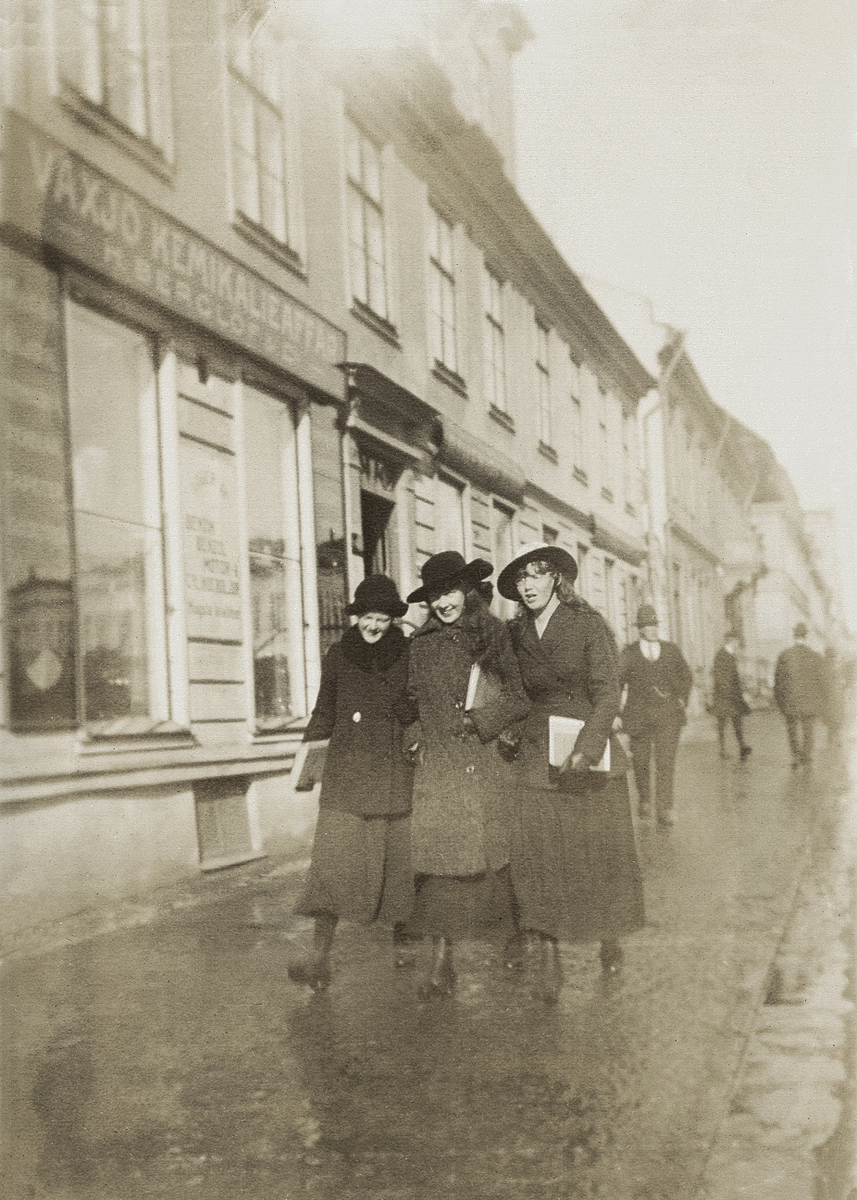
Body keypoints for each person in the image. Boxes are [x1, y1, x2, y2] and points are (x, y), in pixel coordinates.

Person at [496, 542, 645, 1003]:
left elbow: (607, 692)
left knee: (597, 855)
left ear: (556, 579)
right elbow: (517, 694)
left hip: (587, 751)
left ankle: (609, 936)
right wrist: (506, 729)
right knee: (536, 856)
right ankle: (549, 957)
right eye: (521, 578)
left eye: (536, 575)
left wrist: (587, 747)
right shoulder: (515, 633)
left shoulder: (587, 625)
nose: (527, 585)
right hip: (537, 755)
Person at [404, 551, 530, 1000]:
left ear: (467, 591)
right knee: (438, 868)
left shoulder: (493, 636)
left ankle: (514, 935)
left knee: (496, 861)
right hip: (440, 768)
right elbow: (411, 701)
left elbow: (519, 697)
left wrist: (483, 721)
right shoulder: (420, 644)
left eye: (450, 593)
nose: (443, 603)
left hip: (485, 763)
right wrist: (414, 735)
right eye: (435, 596)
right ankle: (442, 961)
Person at [288, 575, 416, 992]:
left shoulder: (408, 653)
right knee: (331, 866)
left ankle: (405, 946)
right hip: (345, 776)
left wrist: (408, 712)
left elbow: (417, 708)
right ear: (356, 616)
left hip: (394, 773)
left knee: (397, 867)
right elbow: (324, 709)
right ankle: (319, 957)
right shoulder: (338, 654)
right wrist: (307, 760)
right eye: (368, 617)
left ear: (393, 620)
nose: (374, 626)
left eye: (383, 619)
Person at [618, 603, 693, 826]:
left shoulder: (671, 650)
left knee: (665, 763)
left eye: (654, 625)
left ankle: (664, 808)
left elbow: (686, 676)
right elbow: (616, 682)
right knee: (640, 761)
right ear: (640, 629)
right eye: (647, 625)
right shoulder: (629, 653)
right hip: (638, 717)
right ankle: (644, 799)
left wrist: (682, 698)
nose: (652, 629)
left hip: (668, 716)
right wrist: (616, 712)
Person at [774, 622, 827, 768]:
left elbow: (778, 682)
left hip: (790, 701)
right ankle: (807, 756)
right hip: (810, 702)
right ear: (806, 636)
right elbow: (822, 681)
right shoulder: (815, 656)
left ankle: (795, 756)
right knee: (808, 730)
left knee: (792, 729)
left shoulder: (784, 655)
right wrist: (822, 700)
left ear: (794, 636)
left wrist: (779, 701)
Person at [711, 631, 752, 760]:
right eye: (737, 641)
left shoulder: (731, 654)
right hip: (723, 695)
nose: (738, 643)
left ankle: (742, 747)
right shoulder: (721, 655)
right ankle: (722, 750)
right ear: (731, 640)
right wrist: (726, 692)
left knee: (737, 721)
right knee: (722, 723)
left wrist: (741, 692)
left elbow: (735, 677)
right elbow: (719, 676)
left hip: (733, 695)